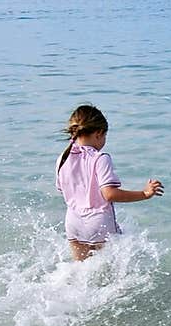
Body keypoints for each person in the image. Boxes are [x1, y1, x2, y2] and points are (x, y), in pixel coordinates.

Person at [55, 104, 163, 261]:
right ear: (98, 133)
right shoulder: (100, 157)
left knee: (79, 271)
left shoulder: (62, 158)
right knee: (110, 272)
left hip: (73, 222)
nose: (104, 141)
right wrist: (144, 194)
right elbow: (109, 194)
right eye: (105, 136)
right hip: (98, 223)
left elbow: (62, 189)